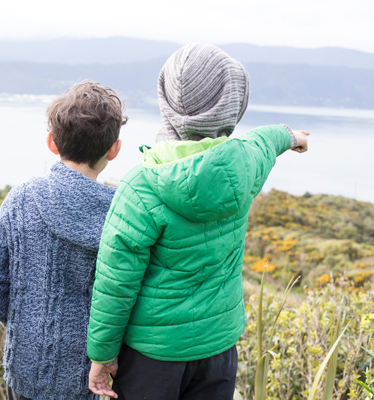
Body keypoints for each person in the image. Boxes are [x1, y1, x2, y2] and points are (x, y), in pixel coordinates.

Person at [86, 43, 310, 400]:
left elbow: (116, 284)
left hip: (153, 356)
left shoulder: (140, 187)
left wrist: (102, 354)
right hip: (218, 348)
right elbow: (261, 140)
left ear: (167, 102)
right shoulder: (246, 164)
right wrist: (289, 135)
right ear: (234, 103)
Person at [0, 81, 127, 400]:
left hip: (27, 365)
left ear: (52, 142)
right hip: (92, 372)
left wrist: (24, 320)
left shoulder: (22, 199)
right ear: (114, 149)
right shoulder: (124, 213)